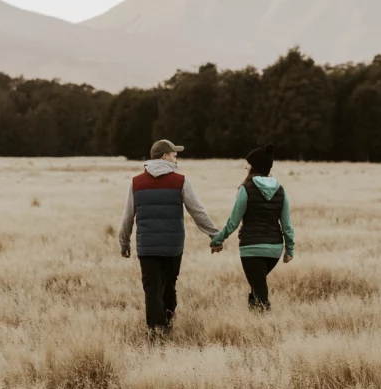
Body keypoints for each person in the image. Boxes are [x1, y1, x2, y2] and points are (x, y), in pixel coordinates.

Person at [119, 139, 221, 336]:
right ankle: (166, 325)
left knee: (151, 289)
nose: (177, 159)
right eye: (175, 155)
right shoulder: (180, 181)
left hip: (147, 247)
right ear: (165, 156)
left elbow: (127, 216)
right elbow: (197, 211)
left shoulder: (136, 183)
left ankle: (155, 332)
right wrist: (215, 235)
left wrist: (124, 242)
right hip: (173, 247)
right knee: (169, 285)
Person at [210, 144, 295, 311]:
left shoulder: (246, 189)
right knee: (257, 285)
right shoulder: (281, 190)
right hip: (274, 250)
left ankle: (264, 323)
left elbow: (233, 222)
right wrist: (289, 249)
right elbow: (287, 225)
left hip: (252, 248)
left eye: (247, 164)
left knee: (259, 288)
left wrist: (218, 239)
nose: (245, 166)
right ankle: (255, 323)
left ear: (254, 166)